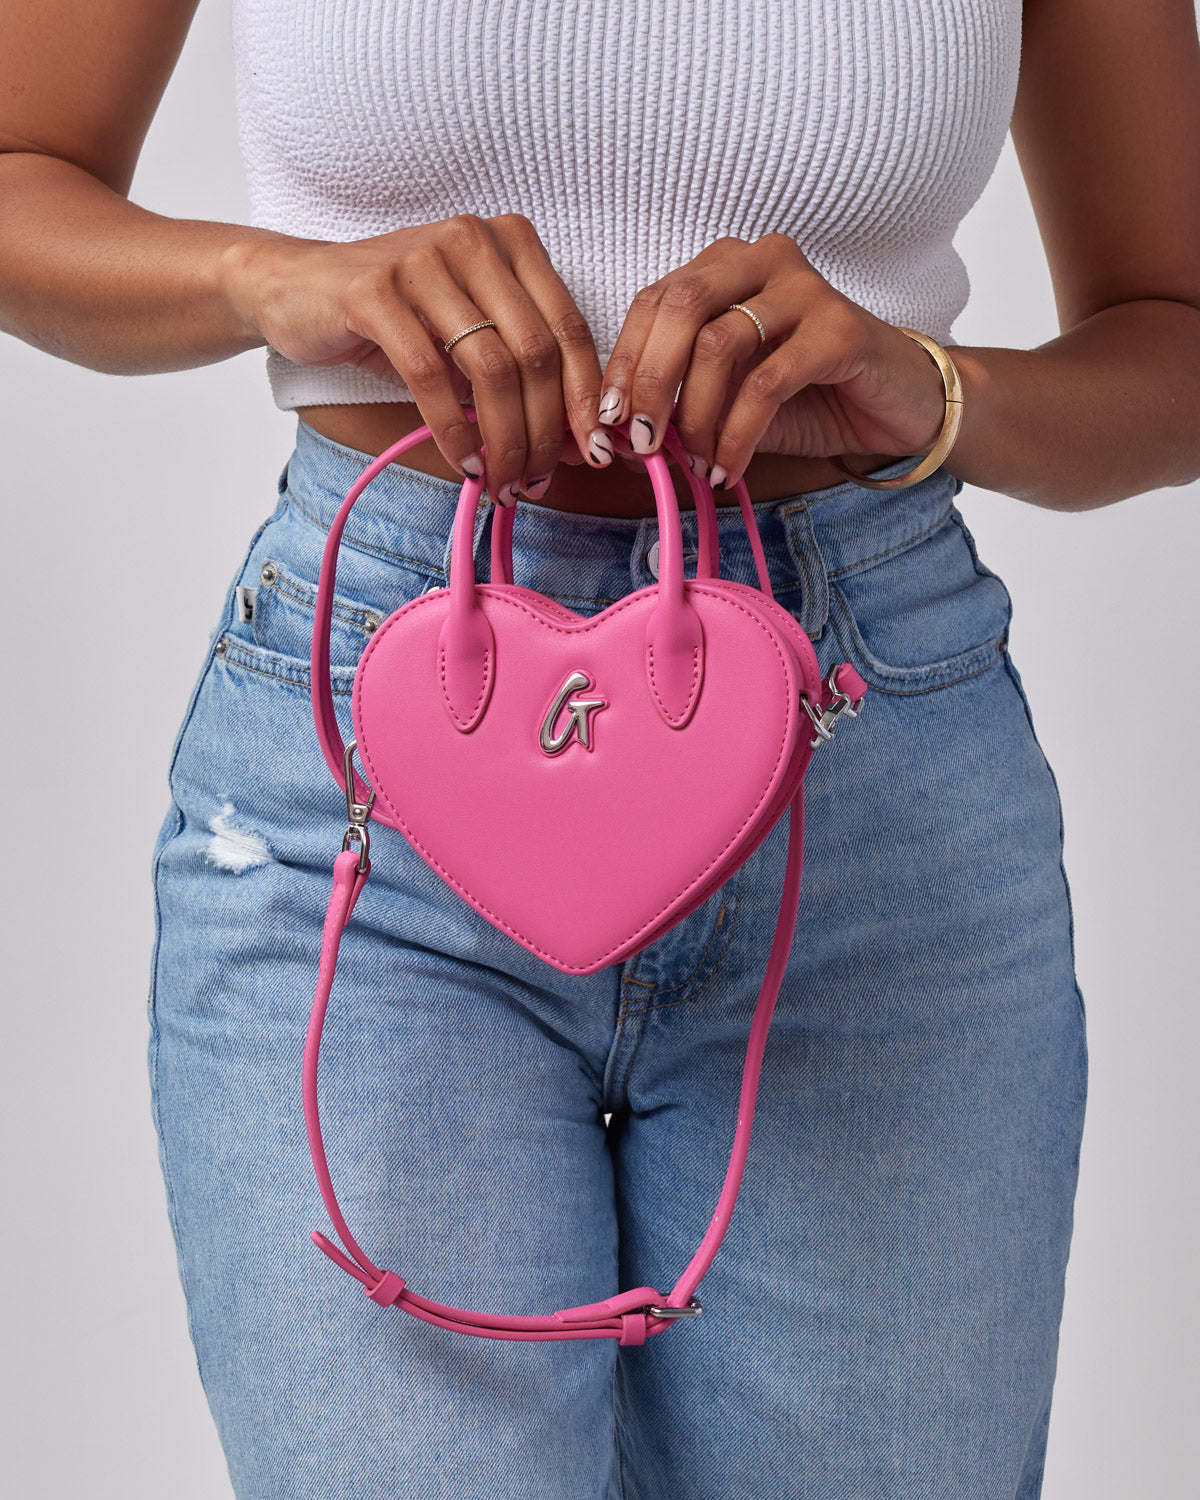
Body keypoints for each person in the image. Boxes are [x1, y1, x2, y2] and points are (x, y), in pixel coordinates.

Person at [3, 2, 1198, 1496]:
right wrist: (271, 276)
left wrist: (937, 392)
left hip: (867, 794)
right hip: (374, 783)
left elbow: (1174, 330)